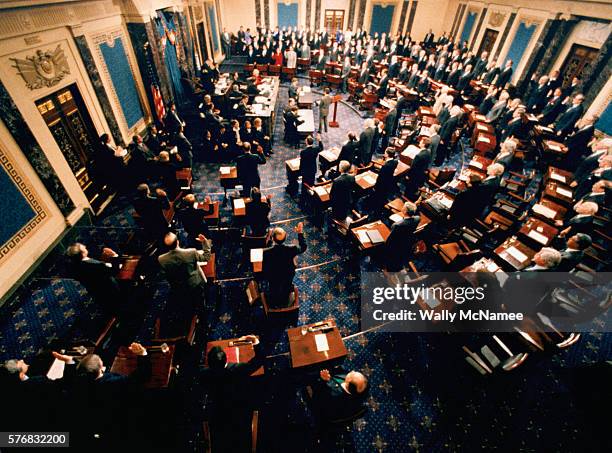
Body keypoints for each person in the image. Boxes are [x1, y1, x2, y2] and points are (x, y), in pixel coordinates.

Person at [200, 335, 264, 452]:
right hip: (239, 416)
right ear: (226, 360)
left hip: (218, 418)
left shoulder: (205, 375)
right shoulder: (237, 370)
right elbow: (259, 361)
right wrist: (256, 342)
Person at [66, 243, 122, 314]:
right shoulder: (96, 265)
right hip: (109, 289)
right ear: (82, 253)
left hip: (96, 292)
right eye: (83, 248)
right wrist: (114, 255)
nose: (85, 246)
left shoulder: (75, 266)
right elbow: (114, 271)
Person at [262, 223, 307, 307]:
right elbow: (303, 247)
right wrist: (300, 232)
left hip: (272, 277)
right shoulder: (292, 249)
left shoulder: (266, 252)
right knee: (286, 285)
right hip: (288, 275)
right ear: (285, 237)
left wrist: (269, 239)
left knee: (273, 286)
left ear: (273, 238)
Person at [385, 202, 421, 272]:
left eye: (403, 207)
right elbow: (417, 216)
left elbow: (390, 240)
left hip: (396, 244)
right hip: (407, 241)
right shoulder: (417, 219)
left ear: (404, 211)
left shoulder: (397, 225)